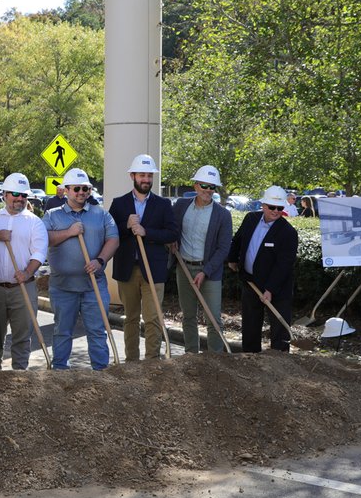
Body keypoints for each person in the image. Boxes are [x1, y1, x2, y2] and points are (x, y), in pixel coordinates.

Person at [43, 168, 118, 370]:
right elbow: (44, 239)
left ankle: (101, 373)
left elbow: (113, 239)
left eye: (85, 188)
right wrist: (69, 232)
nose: (81, 192)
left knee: (97, 330)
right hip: (63, 287)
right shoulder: (52, 216)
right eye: (76, 188)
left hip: (94, 285)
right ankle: (59, 372)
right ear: (66, 190)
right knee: (62, 331)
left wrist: (100, 261)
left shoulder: (101, 214)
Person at [108, 154, 177, 361]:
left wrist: (147, 232)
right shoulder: (119, 204)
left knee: (152, 318)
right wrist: (126, 226)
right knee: (130, 317)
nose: (146, 179)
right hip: (127, 269)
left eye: (149, 175)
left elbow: (173, 233)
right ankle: (131, 362)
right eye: (142, 175)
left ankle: (152, 363)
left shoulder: (163, 204)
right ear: (132, 176)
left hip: (153, 270)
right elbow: (110, 235)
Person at [0, 173, 48, 370]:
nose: (20, 198)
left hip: (22, 287)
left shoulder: (34, 222)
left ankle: (20, 378)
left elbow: (39, 251)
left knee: (22, 335)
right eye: (15, 194)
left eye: (23, 195)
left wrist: (28, 272)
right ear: (4, 194)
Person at [228, 185, 297, 353]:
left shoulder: (288, 233)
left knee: (279, 332)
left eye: (279, 208)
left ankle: (279, 367)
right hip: (251, 283)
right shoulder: (251, 219)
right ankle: (250, 362)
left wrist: (270, 289)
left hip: (278, 289)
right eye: (272, 207)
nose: (275, 211)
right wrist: (232, 259)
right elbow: (238, 240)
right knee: (250, 327)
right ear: (263, 205)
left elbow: (284, 265)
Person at [172, 166, 232, 353]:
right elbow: (172, 229)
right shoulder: (181, 206)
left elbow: (223, 248)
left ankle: (216, 359)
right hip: (183, 268)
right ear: (196, 185)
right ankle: (191, 355)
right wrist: (171, 241)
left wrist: (205, 272)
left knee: (213, 318)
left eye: (212, 187)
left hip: (209, 272)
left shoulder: (223, 215)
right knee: (188, 316)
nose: (208, 190)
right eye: (204, 185)